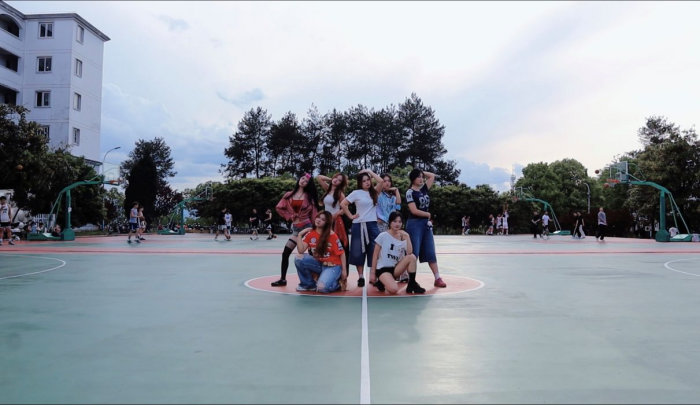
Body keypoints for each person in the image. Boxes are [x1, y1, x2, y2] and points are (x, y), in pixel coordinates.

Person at [272, 173, 319, 287]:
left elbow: (314, 213)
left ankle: (316, 278)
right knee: (285, 253)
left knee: (312, 253)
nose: (303, 181)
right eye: (302, 178)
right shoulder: (289, 195)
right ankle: (283, 279)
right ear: (299, 179)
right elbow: (279, 207)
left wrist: (316, 229)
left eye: (306, 181)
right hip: (296, 230)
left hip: (307, 227)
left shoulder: (309, 197)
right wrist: (289, 216)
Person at [341, 169, 384, 288]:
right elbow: (343, 204)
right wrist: (350, 216)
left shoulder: (374, 192)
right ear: (360, 183)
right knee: (358, 251)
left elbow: (381, 181)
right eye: (364, 181)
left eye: (368, 180)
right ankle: (360, 277)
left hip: (372, 225)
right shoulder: (356, 193)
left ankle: (373, 275)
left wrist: (369, 171)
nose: (367, 182)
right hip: (358, 225)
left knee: (374, 250)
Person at [405, 169, 447, 288]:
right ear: (412, 178)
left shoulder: (424, 189)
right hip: (414, 224)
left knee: (430, 250)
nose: (421, 179)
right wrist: (427, 214)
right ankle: (411, 279)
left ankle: (437, 278)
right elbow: (414, 210)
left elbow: (432, 176)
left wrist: (421, 171)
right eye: (418, 177)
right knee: (414, 252)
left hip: (425, 225)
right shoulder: (410, 192)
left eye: (422, 177)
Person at [371, 211, 426, 295]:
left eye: (400, 222)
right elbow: (375, 255)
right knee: (393, 290)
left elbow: (409, 252)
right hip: (382, 269)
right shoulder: (383, 236)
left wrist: (407, 237)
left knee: (412, 257)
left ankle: (412, 284)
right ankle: (381, 281)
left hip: (395, 269)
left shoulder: (402, 237)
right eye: (395, 221)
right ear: (390, 222)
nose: (397, 224)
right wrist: (373, 273)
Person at [294, 211, 347, 293]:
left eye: (323, 219)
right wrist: (300, 235)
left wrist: (344, 270)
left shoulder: (331, 235)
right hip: (319, 264)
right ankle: (308, 284)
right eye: (318, 217)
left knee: (322, 288)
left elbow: (342, 253)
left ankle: (337, 283)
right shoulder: (311, 234)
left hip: (333, 266)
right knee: (298, 258)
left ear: (326, 223)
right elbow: (300, 250)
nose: (319, 220)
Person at [317, 173, 349, 259]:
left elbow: (345, 208)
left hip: (335, 221)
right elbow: (319, 177)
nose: (336, 180)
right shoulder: (328, 189)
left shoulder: (339, 193)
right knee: (325, 241)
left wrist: (335, 215)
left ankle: (337, 262)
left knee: (334, 242)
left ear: (341, 183)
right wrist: (331, 179)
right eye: (336, 177)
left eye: (339, 180)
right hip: (325, 220)